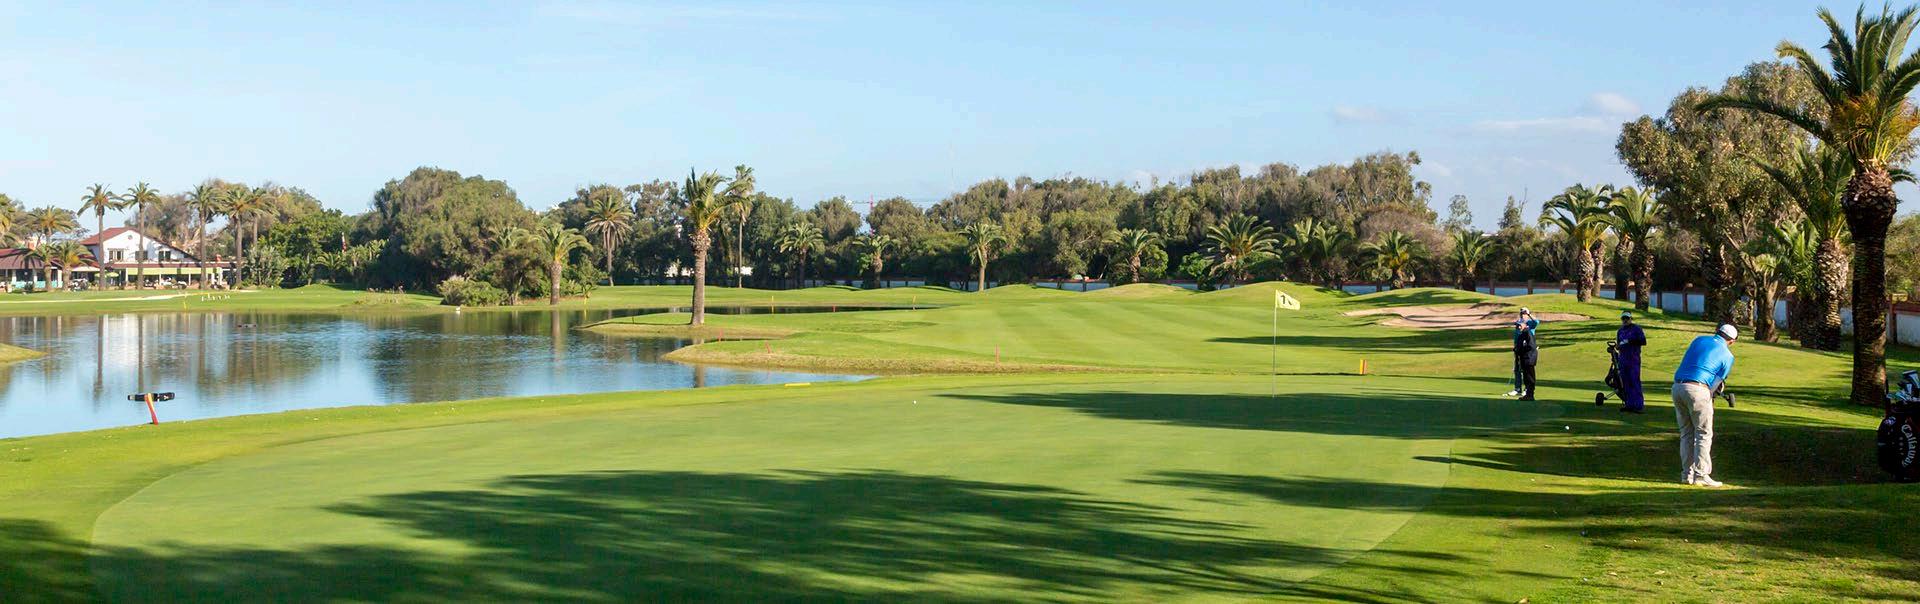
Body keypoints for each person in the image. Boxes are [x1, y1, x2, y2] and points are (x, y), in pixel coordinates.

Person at [1672, 323, 1738, 487]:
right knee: (1703, 433)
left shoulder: (1699, 340)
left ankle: (1686, 475)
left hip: (1677, 387)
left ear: (1717, 332)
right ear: (1732, 341)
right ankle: (1701, 475)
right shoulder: (1728, 356)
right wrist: (1709, 397)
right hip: (1698, 389)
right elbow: (1715, 384)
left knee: (1686, 433)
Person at [1615, 311, 1648, 413]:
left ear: (1630, 319)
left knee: (1634, 381)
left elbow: (1643, 341)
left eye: (1627, 318)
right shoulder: (1620, 331)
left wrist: (1630, 341)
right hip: (1623, 358)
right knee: (1625, 382)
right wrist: (1618, 346)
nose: (1625, 320)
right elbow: (1618, 343)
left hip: (1633, 359)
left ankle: (1638, 405)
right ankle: (1629, 404)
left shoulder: (1636, 329)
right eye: (1623, 318)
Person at [1511, 315, 1539, 401]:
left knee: (1530, 377)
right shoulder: (1522, 334)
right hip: (1524, 359)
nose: (1518, 327)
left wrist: (1520, 349)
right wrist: (1516, 350)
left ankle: (1530, 395)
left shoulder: (1527, 332)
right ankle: (1528, 395)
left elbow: (1531, 346)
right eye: (1517, 325)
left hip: (1529, 358)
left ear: (1525, 325)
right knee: (1526, 378)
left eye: (1520, 325)